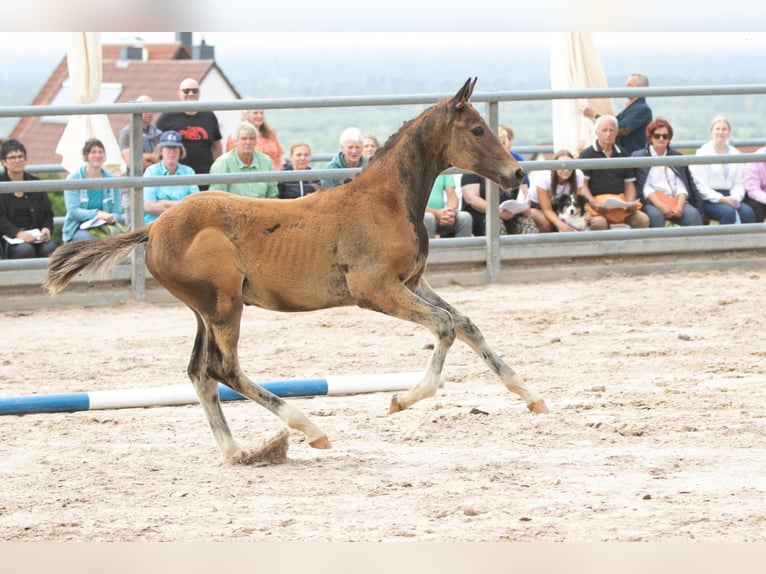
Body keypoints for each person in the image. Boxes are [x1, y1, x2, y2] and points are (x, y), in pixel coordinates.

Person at [578, 114, 650, 230]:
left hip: (620, 204)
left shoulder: (623, 153)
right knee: (599, 224)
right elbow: (583, 186)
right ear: (597, 132)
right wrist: (594, 204)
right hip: (596, 205)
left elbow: (629, 183)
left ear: (616, 133)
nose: (608, 134)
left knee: (642, 220)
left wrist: (631, 203)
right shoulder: (587, 155)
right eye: (604, 130)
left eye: (612, 130)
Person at [632, 117, 704, 228]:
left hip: (676, 199)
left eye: (665, 136)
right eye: (657, 136)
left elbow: (682, 184)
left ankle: (691, 245)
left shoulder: (676, 157)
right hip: (652, 202)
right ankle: (659, 245)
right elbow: (645, 188)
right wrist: (661, 206)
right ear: (650, 137)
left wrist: (679, 206)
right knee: (656, 217)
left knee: (693, 216)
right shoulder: (640, 157)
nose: (661, 139)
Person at [156, 78, 222, 190]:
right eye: (186, 91)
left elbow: (217, 146)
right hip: (177, 176)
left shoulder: (209, 115)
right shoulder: (167, 116)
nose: (191, 94)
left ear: (199, 93)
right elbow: (157, 145)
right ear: (179, 94)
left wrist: (216, 168)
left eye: (194, 91)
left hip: (204, 176)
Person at [690, 116, 756, 225]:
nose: (721, 132)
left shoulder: (736, 154)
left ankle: (748, 242)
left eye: (724, 129)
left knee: (747, 212)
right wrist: (721, 199)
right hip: (708, 198)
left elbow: (739, 182)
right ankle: (723, 242)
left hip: (731, 195)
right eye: (718, 129)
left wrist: (734, 198)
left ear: (729, 132)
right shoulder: (703, 153)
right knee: (728, 212)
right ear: (712, 131)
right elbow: (700, 185)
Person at [0, 139, 57, 259]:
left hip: (36, 236)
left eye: (21, 156)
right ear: (4, 162)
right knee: (25, 250)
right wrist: (18, 234)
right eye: (12, 157)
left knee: (50, 248)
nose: (17, 160)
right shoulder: (1, 185)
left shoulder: (35, 183)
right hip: (9, 238)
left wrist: (46, 229)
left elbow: (48, 213)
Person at [62, 138, 123, 242]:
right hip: (77, 228)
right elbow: (73, 211)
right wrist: (97, 214)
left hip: (105, 227)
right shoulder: (74, 179)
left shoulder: (112, 181)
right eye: (93, 152)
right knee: (90, 240)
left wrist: (110, 218)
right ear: (86, 156)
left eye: (100, 152)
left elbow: (117, 212)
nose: (97, 155)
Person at [582, 73, 652, 154]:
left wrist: (594, 116)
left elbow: (622, 128)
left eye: (630, 85)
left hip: (632, 154)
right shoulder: (632, 108)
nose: (626, 88)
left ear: (641, 89)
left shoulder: (642, 109)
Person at [142, 131, 200, 225]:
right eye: (168, 148)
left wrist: (164, 203)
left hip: (183, 225)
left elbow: (196, 205)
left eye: (175, 148)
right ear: (161, 151)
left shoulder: (188, 172)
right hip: (156, 224)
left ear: (180, 151)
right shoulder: (151, 171)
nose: (171, 153)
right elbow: (148, 206)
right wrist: (180, 207)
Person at [209, 122, 278, 198]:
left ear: (256, 142)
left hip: (261, 207)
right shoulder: (223, 162)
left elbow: (272, 194)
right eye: (243, 139)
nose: (248, 142)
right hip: (232, 208)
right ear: (235, 142)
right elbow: (218, 197)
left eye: (251, 138)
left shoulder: (266, 161)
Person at [461, 172, 537, 236]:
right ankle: (501, 253)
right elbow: (471, 199)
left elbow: (525, 193)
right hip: (483, 214)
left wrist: (525, 206)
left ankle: (530, 253)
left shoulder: (513, 170)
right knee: (496, 225)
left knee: (529, 225)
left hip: (511, 213)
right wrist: (497, 211)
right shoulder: (473, 172)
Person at [529, 149, 586, 232]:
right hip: (536, 206)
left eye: (570, 166)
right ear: (554, 167)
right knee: (547, 223)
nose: (566, 170)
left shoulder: (578, 175)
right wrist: (560, 223)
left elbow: (577, 203)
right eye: (561, 167)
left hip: (558, 206)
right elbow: (547, 209)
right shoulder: (544, 177)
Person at [117, 94, 162, 172]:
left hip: (155, 181)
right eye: (146, 108)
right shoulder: (127, 134)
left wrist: (142, 157)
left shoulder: (158, 134)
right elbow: (132, 163)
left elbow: (165, 162)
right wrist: (152, 157)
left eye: (152, 108)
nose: (150, 112)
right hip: (135, 181)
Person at [424, 173, 472, 238]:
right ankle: (428, 248)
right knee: (429, 218)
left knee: (465, 218)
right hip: (419, 216)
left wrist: (450, 212)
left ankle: (460, 248)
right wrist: (436, 213)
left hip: (441, 216)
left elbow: (452, 196)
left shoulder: (441, 168)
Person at [498, 123, 530, 196]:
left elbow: (526, 183)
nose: (508, 143)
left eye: (510, 139)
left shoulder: (518, 158)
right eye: (502, 142)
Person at [744, 142, 766, 222]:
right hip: (755, 195)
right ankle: (756, 234)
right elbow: (753, 190)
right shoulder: (755, 159)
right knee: (758, 208)